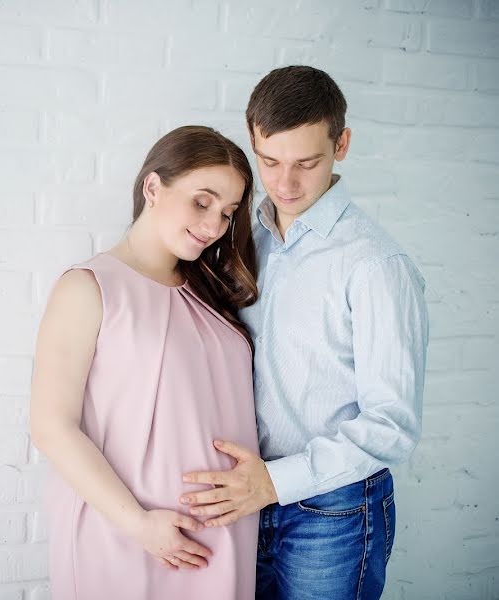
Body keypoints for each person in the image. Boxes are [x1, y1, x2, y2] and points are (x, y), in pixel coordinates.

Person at [178, 66, 430, 599]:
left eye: (306, 163)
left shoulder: (375, 264)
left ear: (342, 144)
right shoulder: (243, 238)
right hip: (247, 502)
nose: (285, 184)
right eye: (269, 162)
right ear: (252, 141)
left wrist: (275, 482)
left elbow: (392, 424)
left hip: (334, 512)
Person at [30, 125, 261, 600]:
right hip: (130, 531)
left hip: (223, 533)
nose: (215, 226)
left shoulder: (211, 294)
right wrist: (139, 524)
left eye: (228, 212)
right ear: (153, 187)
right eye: (202, 202)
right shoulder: (89, 286)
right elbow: (51, 425)